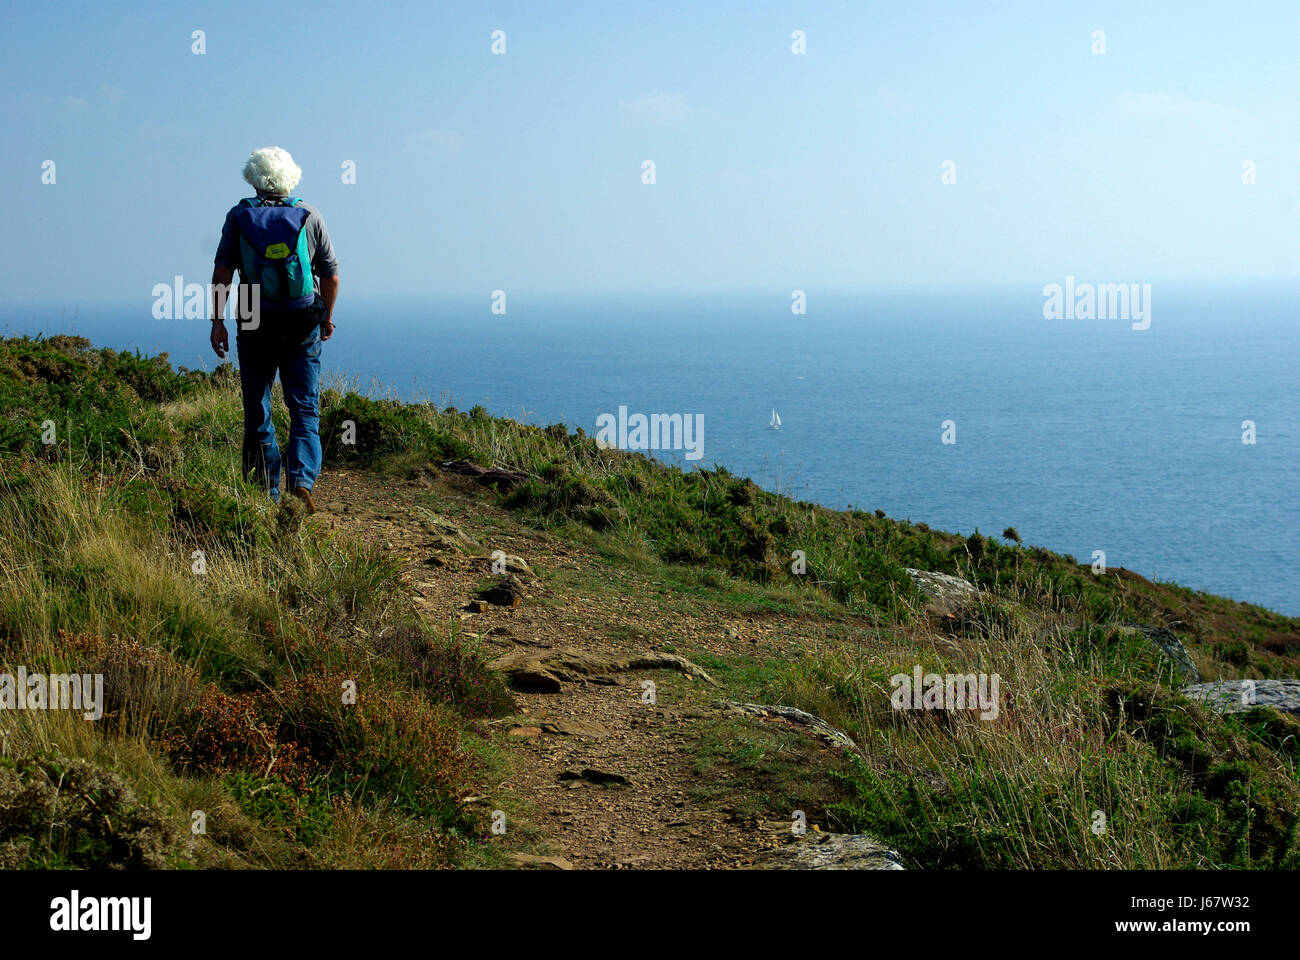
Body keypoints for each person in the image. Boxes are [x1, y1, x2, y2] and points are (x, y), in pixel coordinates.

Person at [209, 147, 339, 513]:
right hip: (301, 317)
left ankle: (264, 493)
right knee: (304, 408)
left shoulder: (239, 216)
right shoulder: (310, 215)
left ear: (253, 177)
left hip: (253, 313)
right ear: (290, 177)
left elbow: (223, 272)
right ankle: (301, 481)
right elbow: (330, 275)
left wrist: (217, 321)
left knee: (257, 406)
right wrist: (326, 316)